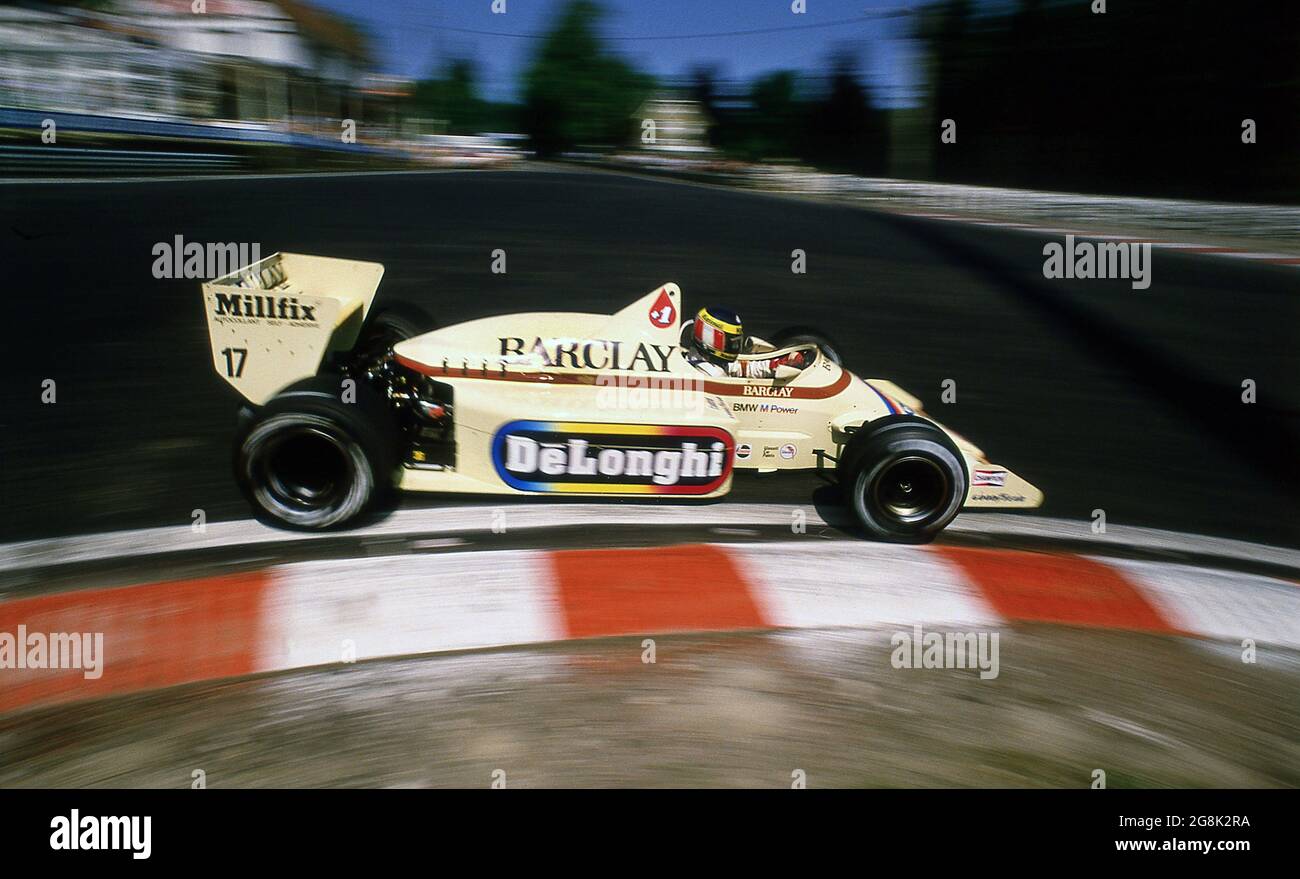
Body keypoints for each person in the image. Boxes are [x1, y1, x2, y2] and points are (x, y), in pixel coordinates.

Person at [681, 305, 810, 378]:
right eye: (731, 342)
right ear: (712, 339)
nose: (736, 346)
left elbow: (737, 367)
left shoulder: (703, 361)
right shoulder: (712, 375)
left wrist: (773, 364)